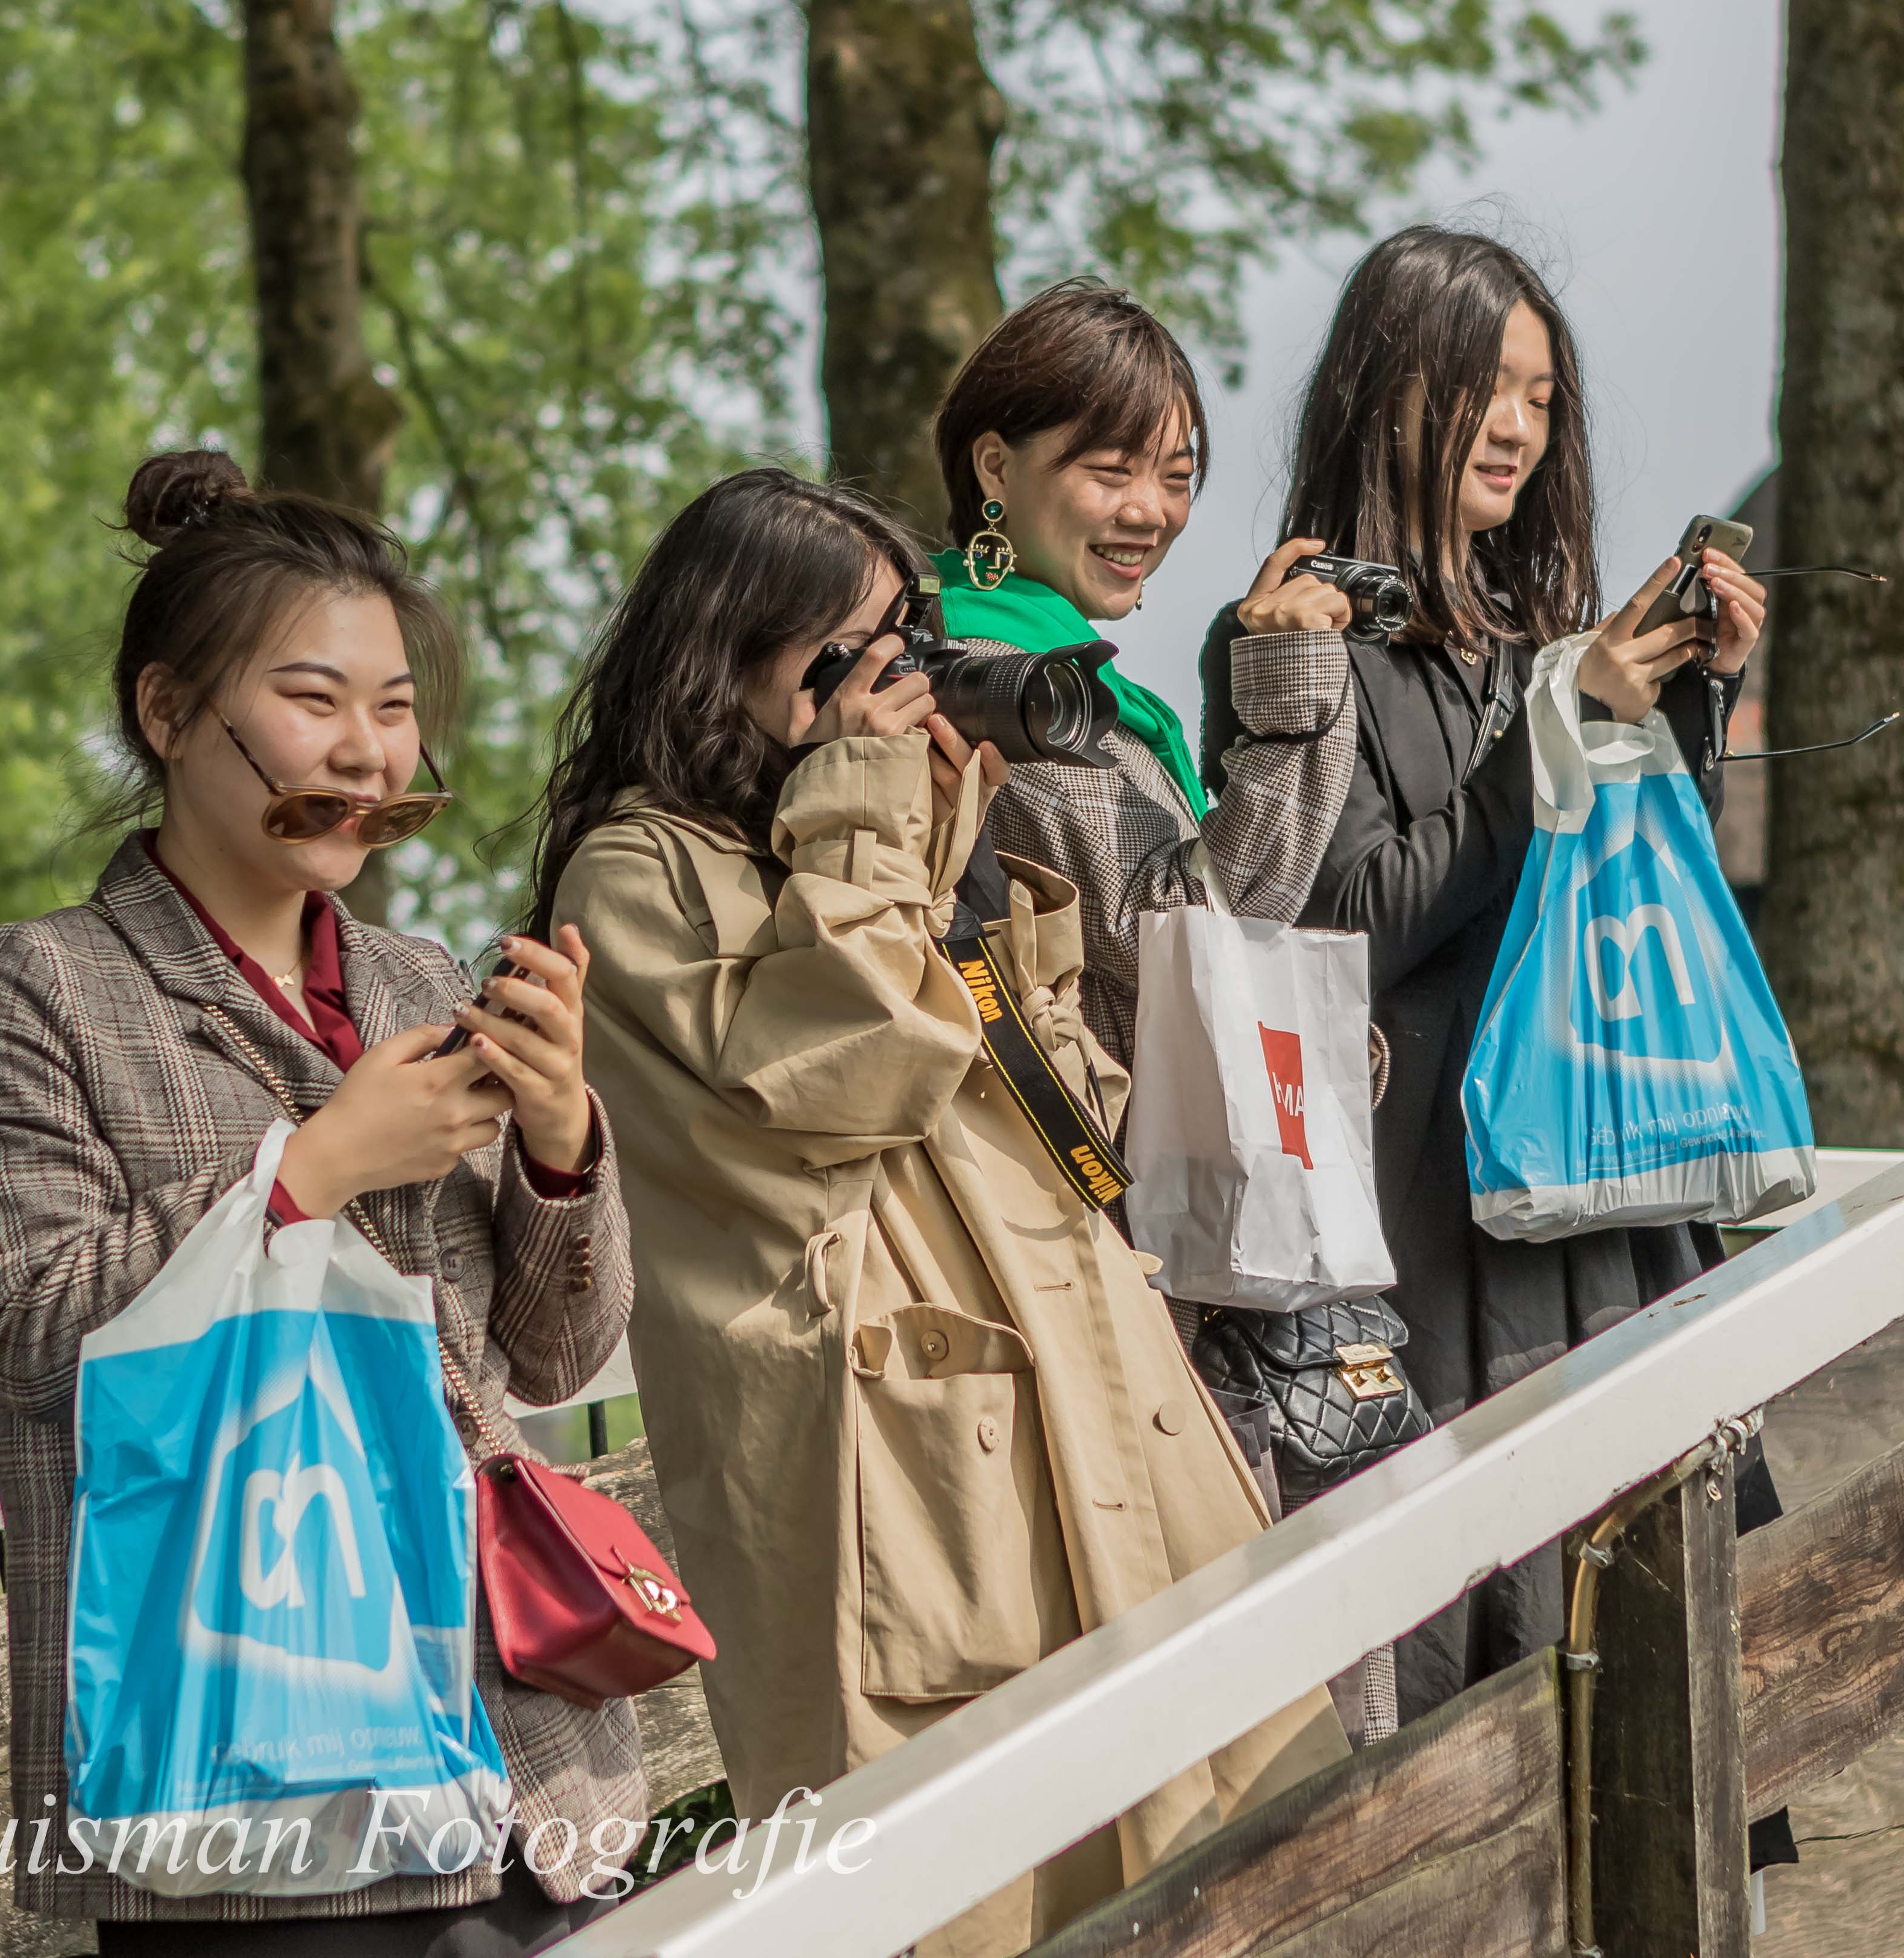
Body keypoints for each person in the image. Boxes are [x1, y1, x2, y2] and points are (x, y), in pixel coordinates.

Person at [533, 467, 1345, 1958]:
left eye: (904, 639)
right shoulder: (638, 868)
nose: (894, 682)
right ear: (735, 651)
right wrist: (860, 821)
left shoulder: (880, 830)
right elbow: (832, 1090)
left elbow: (1066, 1119)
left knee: (1226, 1873)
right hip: (906, 1495)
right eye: (852, 650)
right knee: (973, 1898)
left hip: (1100, 1424)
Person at [0, 453, 643, 1956]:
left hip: (511, 1740)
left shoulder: (414, 980)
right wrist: (311, 1164)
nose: (372, 752)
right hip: (242, 1750)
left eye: (393, 708)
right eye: (318, 701)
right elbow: (32, 1336)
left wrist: (565, 1143)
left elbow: (549, 1358)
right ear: (169, 712)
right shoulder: (41, 985)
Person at [1199, 228, 1788, 1755]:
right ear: (1384, 392)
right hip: (1437, 1231)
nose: (1518, 427)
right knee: (1490, 1682)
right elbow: (1335, 923)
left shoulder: (1539, 640)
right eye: (1483, 387)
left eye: (1539, 394)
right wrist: (1552, 736)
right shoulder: (1294, 636)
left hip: (1607, 1202)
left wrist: (1681, 700)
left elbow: (1616, 905)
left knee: (1662, 1663)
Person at [923, 279, 1358, 1068]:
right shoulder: (1002, 688)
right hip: (1089, 1174)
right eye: (1112, 471)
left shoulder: (1013, 663)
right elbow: (1185, 933)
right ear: (994, 467)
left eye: (1176, 477)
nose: (1150, 511)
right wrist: (1291, 687)